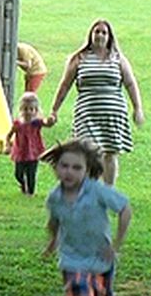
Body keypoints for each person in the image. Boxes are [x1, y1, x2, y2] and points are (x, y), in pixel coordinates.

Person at [41, 138, 132, 296]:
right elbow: (55, 221)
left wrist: (116, 245)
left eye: (76, 167)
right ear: (56, 167)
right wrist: (52, 243)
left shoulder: (98, 191)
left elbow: (125, 209)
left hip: (100, 259)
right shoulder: (55, 197)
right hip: (72, 260)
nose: (69, 172)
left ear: (88, 169)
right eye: (64, 166)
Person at [47, 19, 145, 185]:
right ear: (91, 35)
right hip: (87, 115)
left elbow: (130, 83)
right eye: (97, 32)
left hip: (113, 115)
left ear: (109, 37)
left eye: (104, 32)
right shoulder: (80, 58)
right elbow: (65, 85)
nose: (100, 35)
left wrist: (137, 108)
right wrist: (54, 110)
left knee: (110, 153)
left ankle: (108, 190)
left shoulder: (118, 58)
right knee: (89, 152)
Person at [5, 91, 56, 195]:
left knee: (31, 174)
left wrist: (51, 120)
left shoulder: (36, 123)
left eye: (31, 109)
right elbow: (9, 135)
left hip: (33, 153)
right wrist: (8, 145)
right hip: (20, 152)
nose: (28, 112)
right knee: (18, 174)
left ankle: (30, 193)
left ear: (36, 110)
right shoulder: (18, 124)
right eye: (25, 109)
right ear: (21, 110)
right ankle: (23, 184)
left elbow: (46, 123)